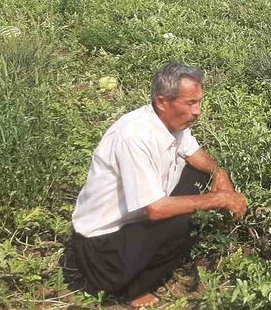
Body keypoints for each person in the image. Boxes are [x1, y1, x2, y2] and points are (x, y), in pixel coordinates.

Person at [63, 63, 247, 308]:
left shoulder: (169, 121)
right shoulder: (134, 136)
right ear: (162, 102)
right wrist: (221, 199)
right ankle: (130, 289)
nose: (198, 111)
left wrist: (218, 172)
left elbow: (192, 153)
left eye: (199, 102)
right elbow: (155, 210)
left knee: (200, 178)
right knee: (185, 223)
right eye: (190, 103)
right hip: (102, 251)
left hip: (132, 222)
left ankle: (143, 261)